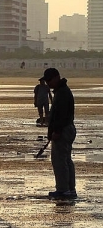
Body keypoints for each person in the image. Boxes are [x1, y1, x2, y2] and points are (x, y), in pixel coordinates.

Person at [41, 68, 76, 199]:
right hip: (66, 128)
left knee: (60, 161)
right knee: (66, 160)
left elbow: (61, 115)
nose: (48, 83)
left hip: (63, 130)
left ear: (56, 77)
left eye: (49, 80)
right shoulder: (62, 91)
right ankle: (69, 189)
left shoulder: (62, 93)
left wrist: (57, 131)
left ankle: (63, 189)